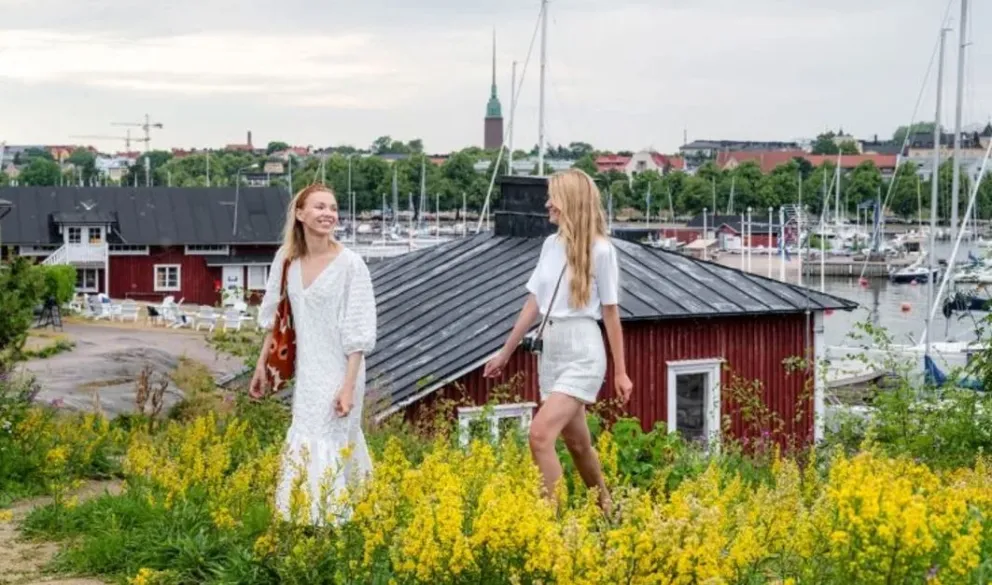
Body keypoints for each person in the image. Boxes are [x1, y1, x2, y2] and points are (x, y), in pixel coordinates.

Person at [483, 168, 632, 514]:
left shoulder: (601, 251)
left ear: (569, 202)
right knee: (578, 444)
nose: (547, 203)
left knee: (539, 435)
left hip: (583, 350)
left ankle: (553, 524)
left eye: (553, 197)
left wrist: (622, 372)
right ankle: (608, 510)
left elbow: (611, 313)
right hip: (550, 350)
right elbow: (533, 303)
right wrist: (505, 353)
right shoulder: (551, 245)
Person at [250, 183, 377, 525]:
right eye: (319, 207)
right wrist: (262, 365)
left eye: (333, 208)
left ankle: (331, 522)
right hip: (308, 371)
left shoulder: (351, 265)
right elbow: (276, 318)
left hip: (342, 369)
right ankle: (304, 518)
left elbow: (359, 334)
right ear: (301, 214)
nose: (328, 214)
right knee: (307, 436)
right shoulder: (287, 260)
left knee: (330, 438)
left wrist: (348, 387)